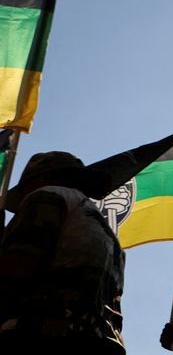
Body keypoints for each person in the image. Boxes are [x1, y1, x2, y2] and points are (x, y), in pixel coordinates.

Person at [0, 151, 125, 354]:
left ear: (44, 177)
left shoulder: (48, 195)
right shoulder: (107, 231)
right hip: (100, 340)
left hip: (44, 333)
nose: (23, 195)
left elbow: (17, 268)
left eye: (24, 188)